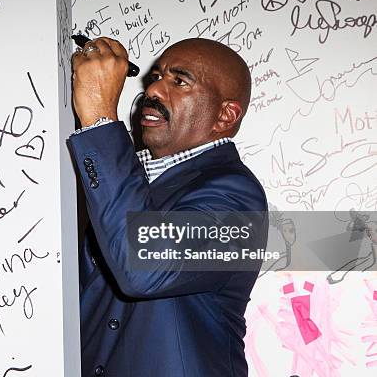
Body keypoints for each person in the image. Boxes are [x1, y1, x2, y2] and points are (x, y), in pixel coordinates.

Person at [67, 37, 268, 376]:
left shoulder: (237, 197)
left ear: (225, 115)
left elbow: (144, 268)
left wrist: (101, 119)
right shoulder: (121, 179)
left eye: (179, 80)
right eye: (156, 77)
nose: (154, 90)